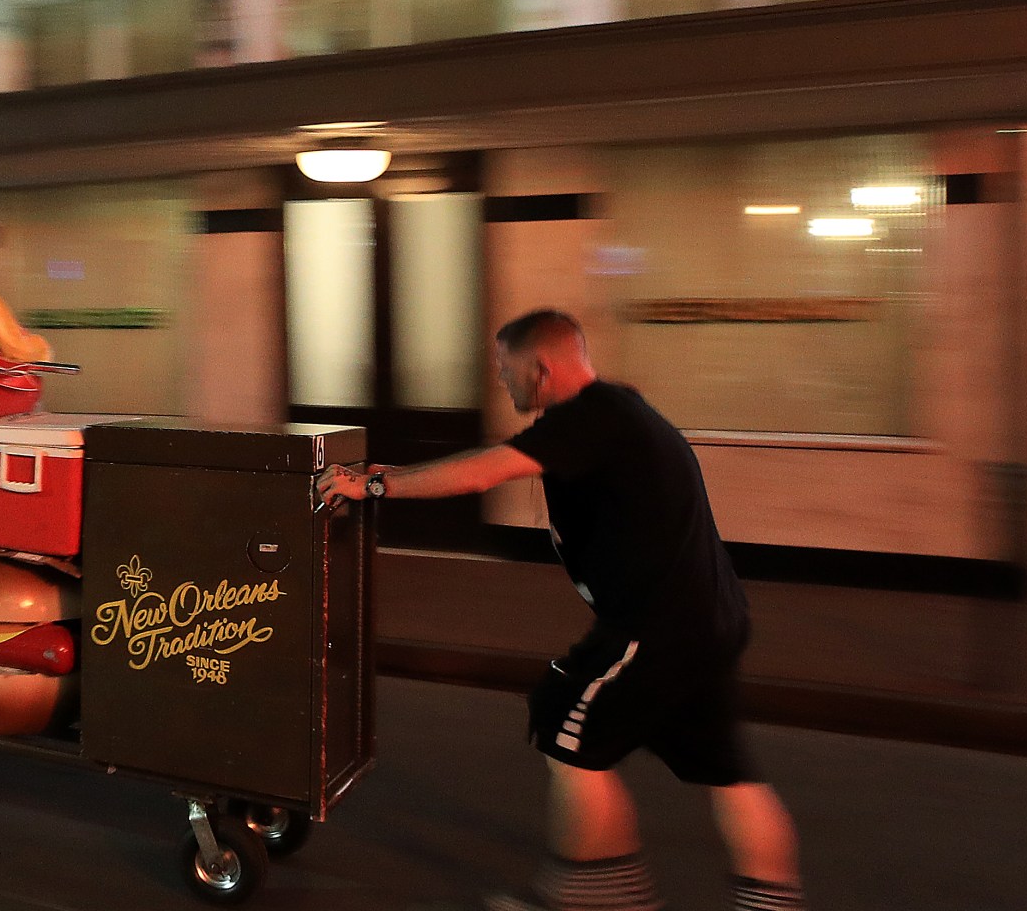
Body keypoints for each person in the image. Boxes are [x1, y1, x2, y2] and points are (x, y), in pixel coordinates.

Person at [316, 309, 804, 911]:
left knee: (565, 728)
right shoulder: (618, 412)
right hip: (710, 618)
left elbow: (486, 470)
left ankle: (596, 898)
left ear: (541, 369)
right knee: (729, 771)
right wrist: (394, 472)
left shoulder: (587, 418)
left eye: (505, 370)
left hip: (655, 629)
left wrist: (376, 487)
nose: (502, 381)